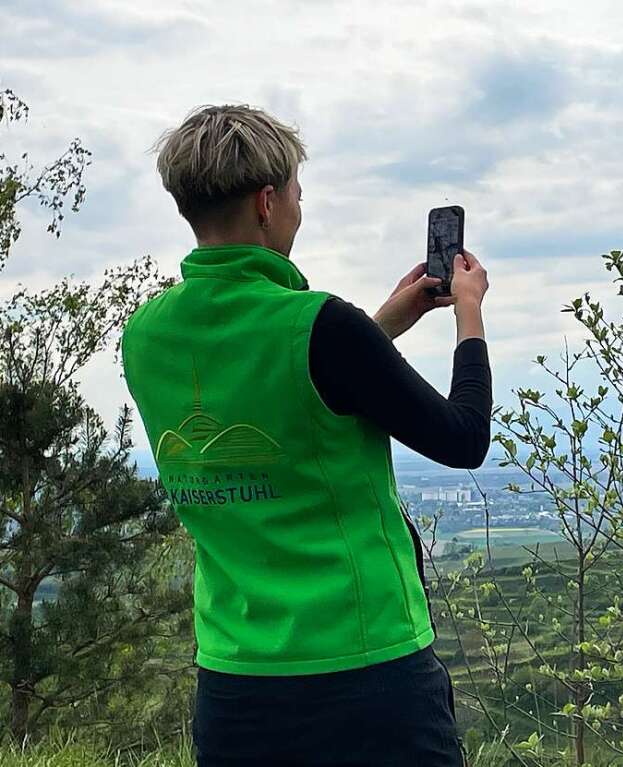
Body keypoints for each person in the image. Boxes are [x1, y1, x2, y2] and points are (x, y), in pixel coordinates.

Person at [121, 104, 491, 766]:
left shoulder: (145, 337)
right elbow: (464, 439)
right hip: (367, 671)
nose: (298, 205)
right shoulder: (322, 327)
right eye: (295, 191)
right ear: (267, 202)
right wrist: (468, 313)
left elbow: (283, 407)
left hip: (235, 682)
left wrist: (379, 326)